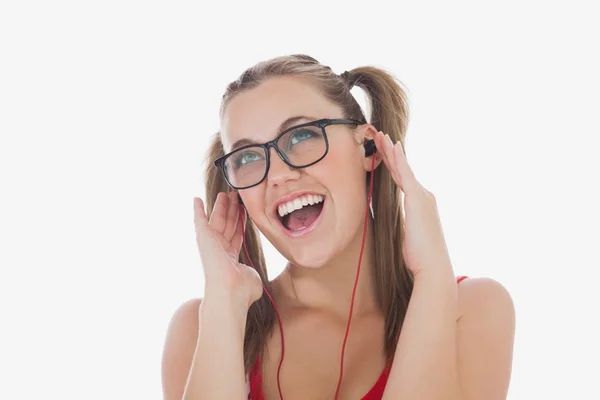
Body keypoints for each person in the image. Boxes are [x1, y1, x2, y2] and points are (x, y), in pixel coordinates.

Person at [161, 54, 516, 400]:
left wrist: (432, 274)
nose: (278, 175)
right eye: (249, 157)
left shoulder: (470, 309)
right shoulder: (200, 328)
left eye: (301, 137)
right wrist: (225, 304)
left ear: (368, 148)